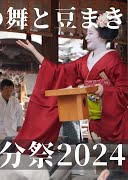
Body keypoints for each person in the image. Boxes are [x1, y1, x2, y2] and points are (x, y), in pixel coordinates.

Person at [14, 13, 128, 159]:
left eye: (90, 33)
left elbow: (124, 90)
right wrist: (34, 51)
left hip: (115, 122)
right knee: (100, 166)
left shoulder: (115, 62)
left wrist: (104, 90)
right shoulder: (83, 62)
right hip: (95, 121)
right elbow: (57, 72)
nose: (86, 38)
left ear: (102, 36)